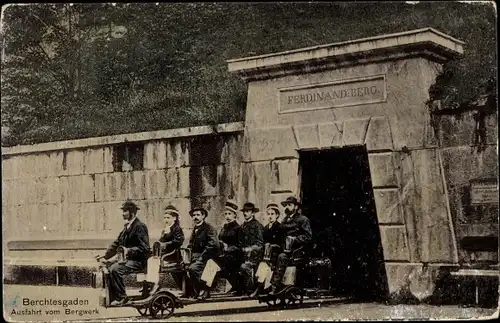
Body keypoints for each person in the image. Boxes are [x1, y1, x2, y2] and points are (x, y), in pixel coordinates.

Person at [101, 200, 150, 306]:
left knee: (115, 269)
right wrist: (105, 256)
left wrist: (129, 251)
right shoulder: (126, 227)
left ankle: (122, 297)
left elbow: (145, 248)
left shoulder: (140, 226)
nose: (123, 214)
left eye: (125, 211)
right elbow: (116, 244)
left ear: (131, 212)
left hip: (139, 261)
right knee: (109, 267)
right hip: (128, 260)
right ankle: (113, 297)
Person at [270, 196, 312, 295]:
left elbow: (308, 237)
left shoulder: (303, 219)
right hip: (284, 249)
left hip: (297, 252)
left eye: (289, 205)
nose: (287, 207)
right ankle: (266, 285)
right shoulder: (284, 220)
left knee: (281, 257)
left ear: (296, 207)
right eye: (286, 205)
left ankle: (274, 286)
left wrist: (294, 240)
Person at [186, 206, 220, 299]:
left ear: (203, 216)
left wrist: (201, 257)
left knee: (193, 268)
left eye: (198, 215)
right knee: (182, 268)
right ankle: (193, 291)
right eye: (193, 215)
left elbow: (213, 245)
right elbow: (191, 245)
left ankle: (205, 290)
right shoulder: (194, 229)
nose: (195, 217)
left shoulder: (209, 228)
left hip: (208, 257)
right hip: (195, 257)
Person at [250, 201, 283, 297]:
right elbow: (262, 241)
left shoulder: (280, 227)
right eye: (268, 214)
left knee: (264, 265)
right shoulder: (265, 228)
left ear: (277, 215)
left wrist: (272, 246)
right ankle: (259, 287)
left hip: (276, 253)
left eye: (272, 214)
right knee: (261, 264)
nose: (270, 216)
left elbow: (281, 243)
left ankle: (262, 289)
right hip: (266, 254)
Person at [216, 200, 243, 294]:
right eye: (226, 214)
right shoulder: (224, 227)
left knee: (227, 264)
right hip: (224, 254)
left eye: (230, 214)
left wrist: (228, 248)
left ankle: (237, 286)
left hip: (235, 255)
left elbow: (240, 245)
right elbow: (219, 239)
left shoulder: (238, 228)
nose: (227, 216)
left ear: (235, 215)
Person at [238, 202, 265, 296]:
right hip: (243, 255)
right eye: (244, 211)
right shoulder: (242, 226)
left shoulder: (257, 226)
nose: (245, 213)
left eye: (248, 211)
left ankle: (250, 290)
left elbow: (260, 244)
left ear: (253, 213)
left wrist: (249, 249)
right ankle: (239, 289)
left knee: (245, 267)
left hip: (255, 256)